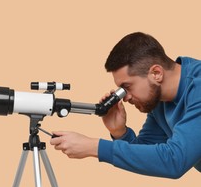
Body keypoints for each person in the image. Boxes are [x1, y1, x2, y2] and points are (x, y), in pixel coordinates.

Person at [50, 32, 201, 179]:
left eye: (127, 87)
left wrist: (94, 147)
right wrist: (119, 132)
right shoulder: (159, 101)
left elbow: (174, 161)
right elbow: (146, 154)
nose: (126, 97)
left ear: (156, 73)